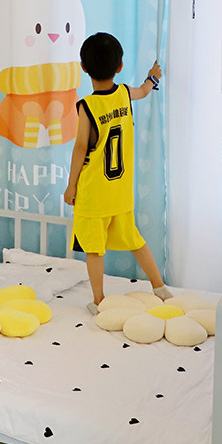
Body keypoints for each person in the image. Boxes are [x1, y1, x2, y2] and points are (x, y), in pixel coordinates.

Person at [63, 32, 170, 314]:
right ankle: (160, 287)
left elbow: (80, 148)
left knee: (94, 249)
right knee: (135, 240)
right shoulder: (124, 93)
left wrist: (71, 186)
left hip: (93, 194)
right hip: (120, 192)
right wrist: (153, 77)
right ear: (119, 66)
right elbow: (144, 91)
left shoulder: (87, 106)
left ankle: (99, 300)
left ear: (83, 67)